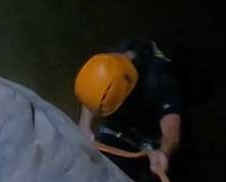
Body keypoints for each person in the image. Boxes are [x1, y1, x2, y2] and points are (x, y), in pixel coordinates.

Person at [76, 40, 183, 175]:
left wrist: (163, 153)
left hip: (148, 120)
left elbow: (171, 131)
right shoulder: (109, 63)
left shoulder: (160, 83)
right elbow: (94, 89)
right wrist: (84, 125)